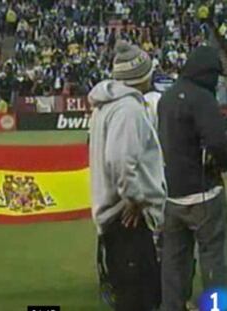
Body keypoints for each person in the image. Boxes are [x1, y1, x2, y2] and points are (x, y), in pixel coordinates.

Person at [89, 40, 166, 311]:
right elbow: (120, 159)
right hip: (128, 218)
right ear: (141, 75)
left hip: (114, 217)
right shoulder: (128, 109)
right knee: (139, 298)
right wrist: (135, 199)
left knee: (130, 294)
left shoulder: (105, 106)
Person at [158, 46, 227, 311]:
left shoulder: (168, 97)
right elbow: (218, 144)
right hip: (203, 193)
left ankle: (172, 307)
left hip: (173, 194)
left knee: (174, 264)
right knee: (213, 260)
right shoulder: (202, 98)